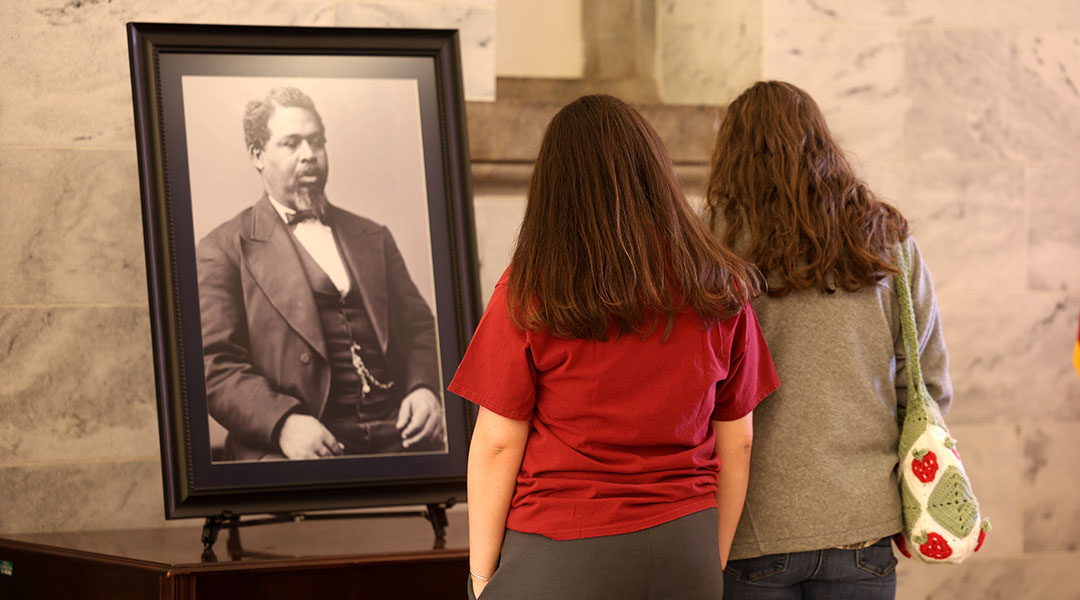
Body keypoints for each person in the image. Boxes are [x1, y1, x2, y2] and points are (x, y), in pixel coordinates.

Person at [448, 94, 781, 600]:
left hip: (561, 547)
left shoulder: (532, 289)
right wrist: (708, 561)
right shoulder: (720, 288)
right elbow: (738, 440)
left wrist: (479, 578)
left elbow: (497, 443)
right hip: (685, 544)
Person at [703, 80, 953, 599]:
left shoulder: (713, 241)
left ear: (731, 154)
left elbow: (693, 391)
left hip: (750, 527)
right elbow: (928, 385)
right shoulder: (885, 240)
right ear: (822, 144)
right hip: (864, 523)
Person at [196, 86, 444, 461]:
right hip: (300, 442)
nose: (309, 155)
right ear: (257, 155)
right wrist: (283, 422)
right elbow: (212, 365)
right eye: (291, 143)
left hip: (396, 434)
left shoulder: (373, 236)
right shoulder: (223, 249)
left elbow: (422, 328)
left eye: (316, 142)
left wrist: (424, 389)